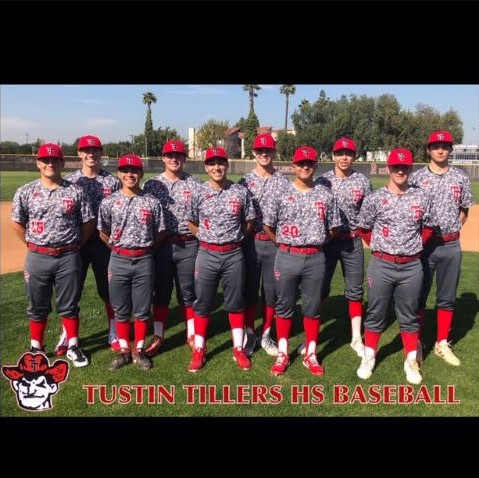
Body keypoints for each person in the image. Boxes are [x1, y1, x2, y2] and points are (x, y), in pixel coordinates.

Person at [11, 143, 95, 367]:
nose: (50, 164)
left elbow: (88, 222)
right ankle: (36, 347)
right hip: (38, 256)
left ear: (62, 163)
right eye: (45, 160)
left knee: (69, 304)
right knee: (37, 305)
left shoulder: (76, 190)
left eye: (55, 160)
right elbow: (17, 222)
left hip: (68, 255)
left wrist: (76, 243)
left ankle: (73, 345)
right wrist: (31, 243)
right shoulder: (26, 191)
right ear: (38, 163)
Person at [356, 148, 436, 385]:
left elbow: (429, 227)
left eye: (405, 167)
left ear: (410, 169)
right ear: (388, 169)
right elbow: (364, 228)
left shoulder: (421, 197)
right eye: (396, 167)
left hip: (411, 266)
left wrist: (412, 246)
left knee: (409, 315)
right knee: (376, 312)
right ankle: (369, 355)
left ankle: (410, 360)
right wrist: (382, 247)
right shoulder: (375, 198)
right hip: (382, 264)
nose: (400, 171)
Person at [262, 146, 341, 376]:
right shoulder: (281, 193)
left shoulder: (325, 194)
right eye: (301, 163)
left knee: (313, 308)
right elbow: (268, 224)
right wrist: (284, 243)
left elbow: (334, 227)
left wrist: (315, 241)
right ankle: (283, 353)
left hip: (315, 257)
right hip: (287, 255)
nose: (306, 167)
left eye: (310, 163)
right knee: (284, 306)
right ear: (294, 166)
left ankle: (311, 355)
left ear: (315, 166)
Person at [298, 137, 371, 357]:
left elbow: (368, 212)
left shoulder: (363, 181)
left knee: (355, 290)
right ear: (333, 156)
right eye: (340, 153)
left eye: (348, 153)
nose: (344, 157)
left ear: (354, 156)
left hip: (351, 241)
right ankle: (312, 338)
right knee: (319, 290)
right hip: (327, 243)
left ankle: (356, 338)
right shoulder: (322, 181)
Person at [186, 146, 256, 372]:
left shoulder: (239, 191)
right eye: (212, 163)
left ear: (227, 165)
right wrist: (208, 239)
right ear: (206, 167)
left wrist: (233, 239)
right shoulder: (198, 191)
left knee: (235, 302)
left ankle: (238, 348)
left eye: (221, 163)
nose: (217, 167)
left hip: (233, 253)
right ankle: (199, 349)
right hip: (206, 253)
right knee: (203, 302)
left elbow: (249, 221)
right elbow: (191, 222)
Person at [409, 130, 474, 366]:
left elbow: (465, 208)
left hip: (450, 244)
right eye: (436, 146)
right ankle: (415, 342)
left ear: (450, 149)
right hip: (424, 246)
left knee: (446, 297)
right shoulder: (416, 178)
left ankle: (441, 343)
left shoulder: (460, 176)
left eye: (445, 146)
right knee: (418, 295)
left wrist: (454, 226)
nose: (440, 150)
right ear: (428, 149)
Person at [53, 135, 121, 356]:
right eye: (86, 150)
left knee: (109, 290)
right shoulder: (70, 181)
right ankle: (68, 335)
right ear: (80, 154)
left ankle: (115, 331)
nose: (91, 154)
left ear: (101, 153)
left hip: (103, 243)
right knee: (71, 292)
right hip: (77, 244)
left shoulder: (112, 181)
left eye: (95, 150)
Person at [97, 154, 165, 371]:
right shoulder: (109, 202)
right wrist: (118, 249)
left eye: (134, 171)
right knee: (121, 309)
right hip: (118, 259)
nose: (130, 175)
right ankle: (124, 351)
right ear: (119, 173)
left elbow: (160, 232)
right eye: (125, 171)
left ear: (141, 174)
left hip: (144, 258)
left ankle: (139, 350)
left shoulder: (152, 202)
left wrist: (146, 249)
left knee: (143, 309)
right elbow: (103, 232)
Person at [142, 140, 201, 356]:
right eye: (170, 155)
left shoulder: (195, 184)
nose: (174, 159)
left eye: (179, 155)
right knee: (161, 292)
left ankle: (192, 334)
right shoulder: (152, 185)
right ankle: (158, 334)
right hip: (162, 245)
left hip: (188, 244)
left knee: (189, 292)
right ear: (163, 158)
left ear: (184, 158)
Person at [238, 133, 290, 357]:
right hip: (250, 242)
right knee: (249, 290)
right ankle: (250, 333)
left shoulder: (283, 181)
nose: (264, 154)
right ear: (253, 153)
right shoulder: (244, 181)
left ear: (274, 152)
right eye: (260, 150)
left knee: (271, 292)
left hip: (273, 243)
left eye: (268, 150)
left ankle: (267, 333)